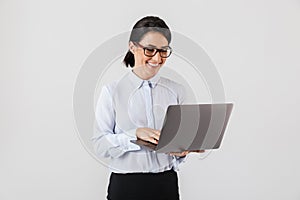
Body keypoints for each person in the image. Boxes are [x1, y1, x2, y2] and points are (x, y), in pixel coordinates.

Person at [92, 16, 204, 200]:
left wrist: (181, 150)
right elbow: (100, 146)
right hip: (126, 186)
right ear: (132, 47)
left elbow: (178, 144)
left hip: (166, 183)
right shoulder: (112, 92)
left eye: (163, 51)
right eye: (150, 50)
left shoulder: (176, 91)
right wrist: (135, 134)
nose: (157, 58)